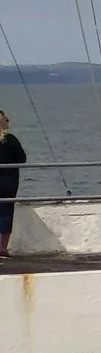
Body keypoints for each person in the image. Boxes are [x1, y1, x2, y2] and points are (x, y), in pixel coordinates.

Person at [0, 111, 22, 260]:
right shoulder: (10, 140)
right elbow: (22, 158)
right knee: (7, 212)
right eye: (5, 118)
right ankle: (2, 248)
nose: (8, 119)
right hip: (8, 181)